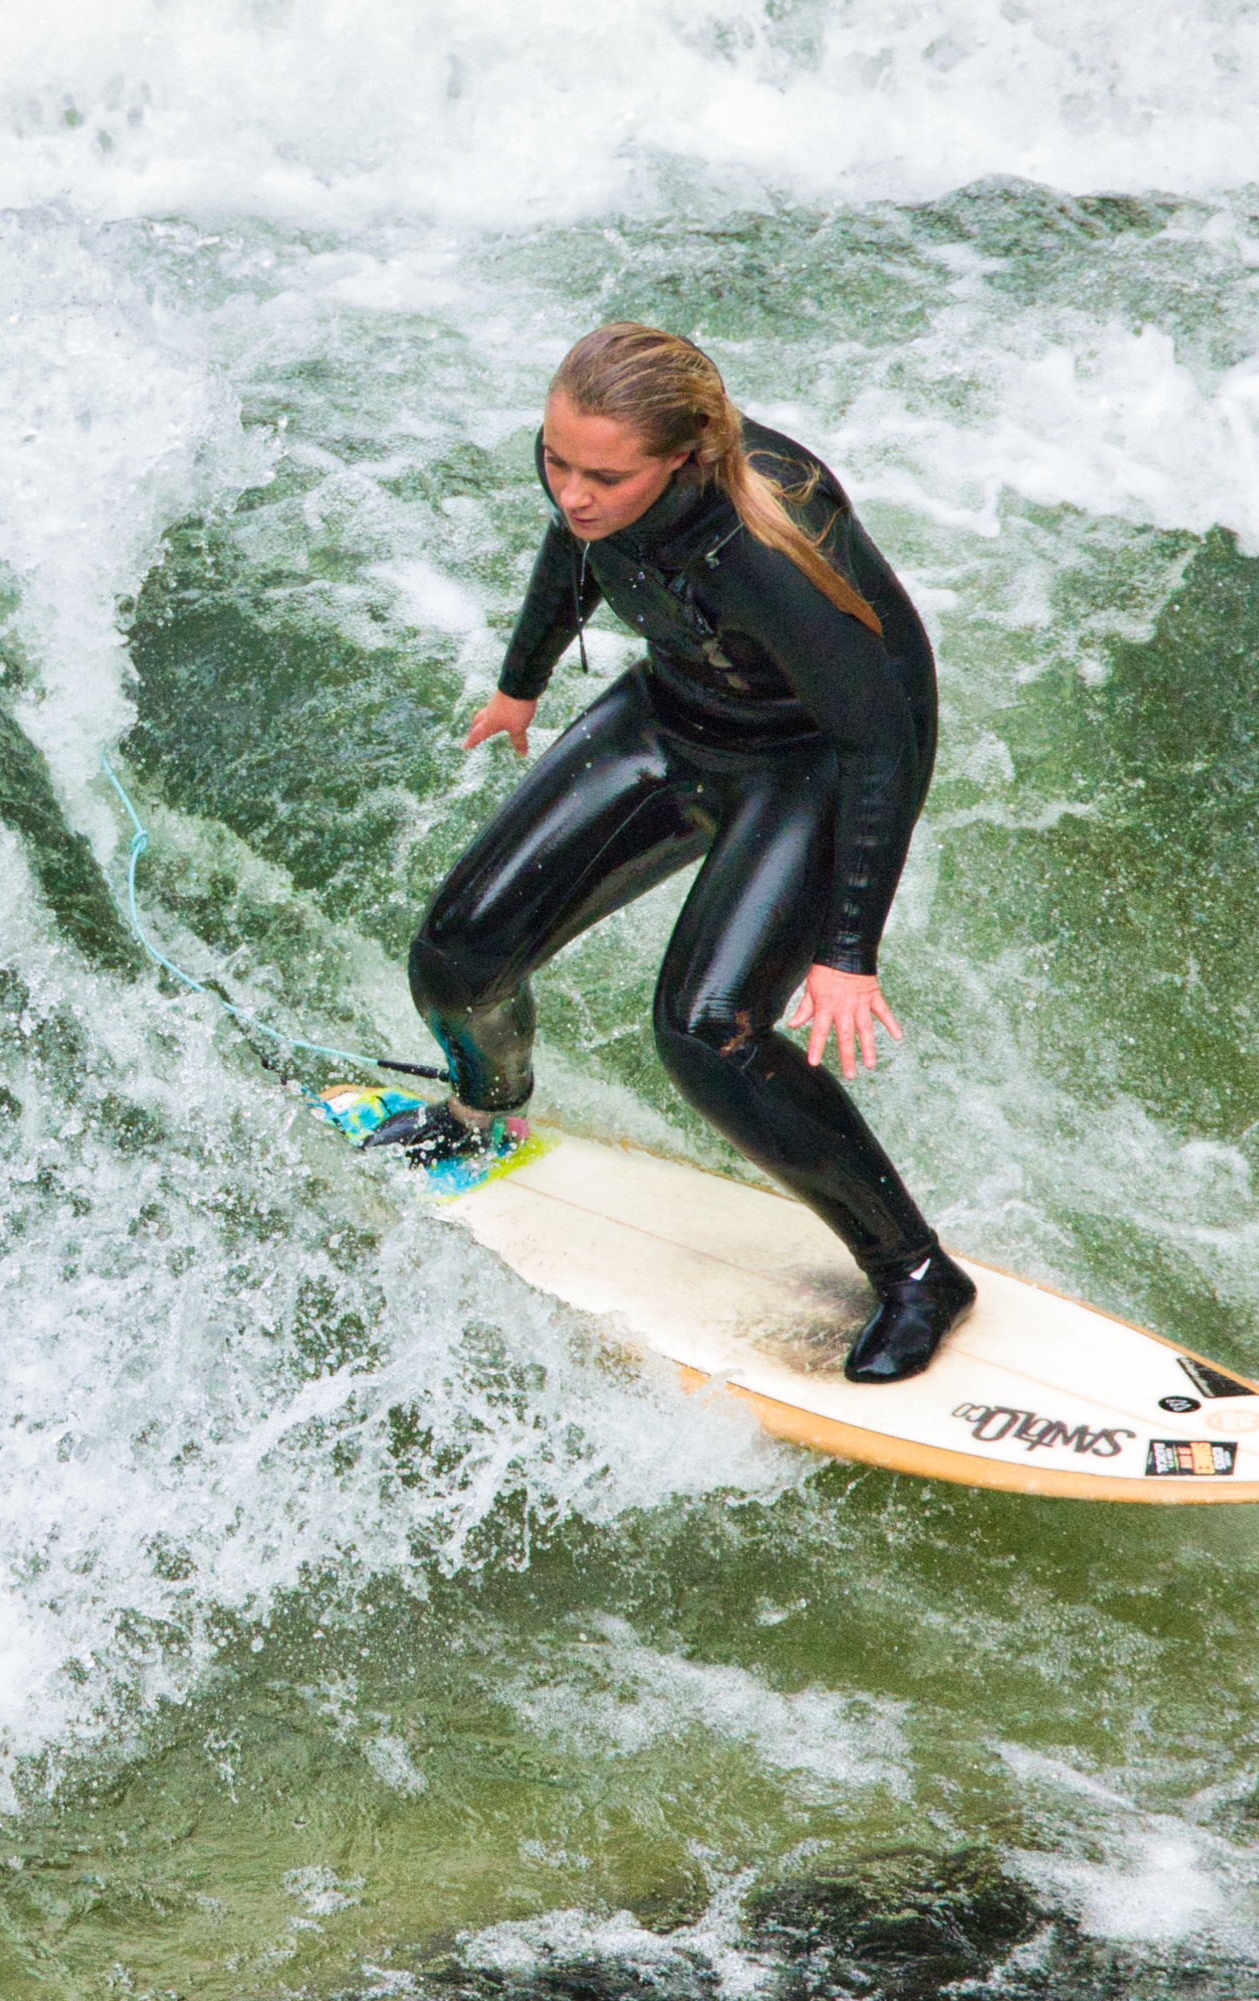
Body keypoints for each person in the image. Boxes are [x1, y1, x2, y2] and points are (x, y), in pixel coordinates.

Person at [364, 323, 972, 1384]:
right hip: (676, 714)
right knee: (458, 960)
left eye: (604, 473)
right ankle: (481, 1113)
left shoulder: (778, 544)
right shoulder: (589, 476)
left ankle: (917, 1273)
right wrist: (524, 682)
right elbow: (576, 547)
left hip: (810, 761)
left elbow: (884, 738)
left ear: (685, 458)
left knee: (707, 1033)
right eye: (556, 460)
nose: (572, 488)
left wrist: (847, 949)